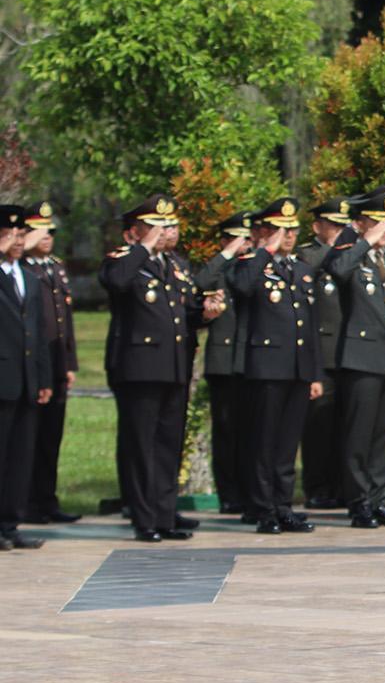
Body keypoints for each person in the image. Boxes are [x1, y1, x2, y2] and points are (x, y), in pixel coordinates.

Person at [101, 194, 209, 541]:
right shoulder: (124, 260)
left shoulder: (172, 265)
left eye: (165, 226)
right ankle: (143, 517)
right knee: (141, 444)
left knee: (167, 444)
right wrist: (143, 247)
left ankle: (164, 514)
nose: (162, 233)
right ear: (133, 232)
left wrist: (205, 313)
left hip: (174, 366)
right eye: (153, 227)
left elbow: (183, 312)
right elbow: (116, 282)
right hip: (139, 368)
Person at [325, 186, 385, 529]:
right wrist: (364, 240)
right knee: (359, 434)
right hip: (361, 357)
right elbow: (337, 270)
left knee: (384, 434)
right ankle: (359, 502)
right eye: (379, 222)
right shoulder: (352, 250)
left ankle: (378, 499)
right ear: (362, 223)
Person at [230, 198, 320, 534]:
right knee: (263, 442)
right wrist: (265, 250)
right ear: (265, 231)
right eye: (282, 229)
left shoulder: (298, 269)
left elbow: (309, 325)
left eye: (293, 229)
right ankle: (263, 508)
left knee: (286, 444)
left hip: (296, 368)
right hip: (266, 367)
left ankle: (283, 506)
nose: (289, 235)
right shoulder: (251, 263)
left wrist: (314, 373)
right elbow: (241, 287)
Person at [22, 201, 78, 525]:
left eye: (50, 231)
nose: (46, 237)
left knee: (51, 437)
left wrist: (69, 363)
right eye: (38, 231)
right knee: (32, 434)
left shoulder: (55, 267)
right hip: (33, 362)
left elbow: (64, 320)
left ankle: (47, 498)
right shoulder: (22, 267)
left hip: (56, 361)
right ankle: (28, 500)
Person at [0, 204, 52, 550]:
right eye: (8, 234)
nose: (17, 240)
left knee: (20, 456)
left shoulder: (29, 278)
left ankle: (10, 523)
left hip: (26, 379)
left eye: (20, 234)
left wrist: (44, 377)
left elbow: (38, 332)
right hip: (2, 378)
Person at [197, 211, 253, 515]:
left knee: (252, 431)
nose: (244, 244)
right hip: (225, 359)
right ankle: (229, 493)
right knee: (227, 429)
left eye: (247, 238)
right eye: (237, 238)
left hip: (254, 358)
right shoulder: (218, 268)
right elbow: (199, 283)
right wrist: (227, 253)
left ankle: (250, 490)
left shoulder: (255, 265)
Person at [298, 197, 352, 509]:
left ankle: (344, 486)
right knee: (319, 426)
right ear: (318, 226)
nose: (339, 232)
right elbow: (310, 273)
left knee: (348, 425)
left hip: (352, 349)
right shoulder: (308, 253)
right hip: (324, 349)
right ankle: (317, 487)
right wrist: (335, 248)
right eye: (333, 226)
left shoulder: (353, 254)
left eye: (343, 226)